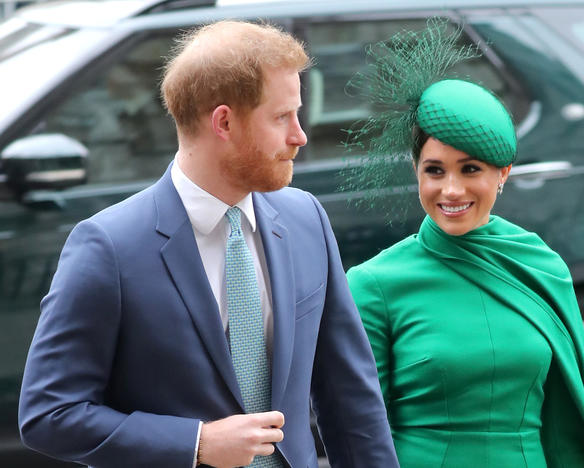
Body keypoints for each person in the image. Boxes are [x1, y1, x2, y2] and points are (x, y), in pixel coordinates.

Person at [18, 21, 399, 468]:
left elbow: (350, 396)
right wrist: (194, 442)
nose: (300, 135)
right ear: (224, 122)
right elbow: (49, 414)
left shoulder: (306, 219)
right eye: (282, 117)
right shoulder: (107, 246)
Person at [344, 22, 584, 468]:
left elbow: (569, 418)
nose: (450, 190)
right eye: (435, 170)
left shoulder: (541, 266)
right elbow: (360, 430)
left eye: (470, 170)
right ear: (416, 170)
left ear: (503, 173)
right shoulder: (374, 284)